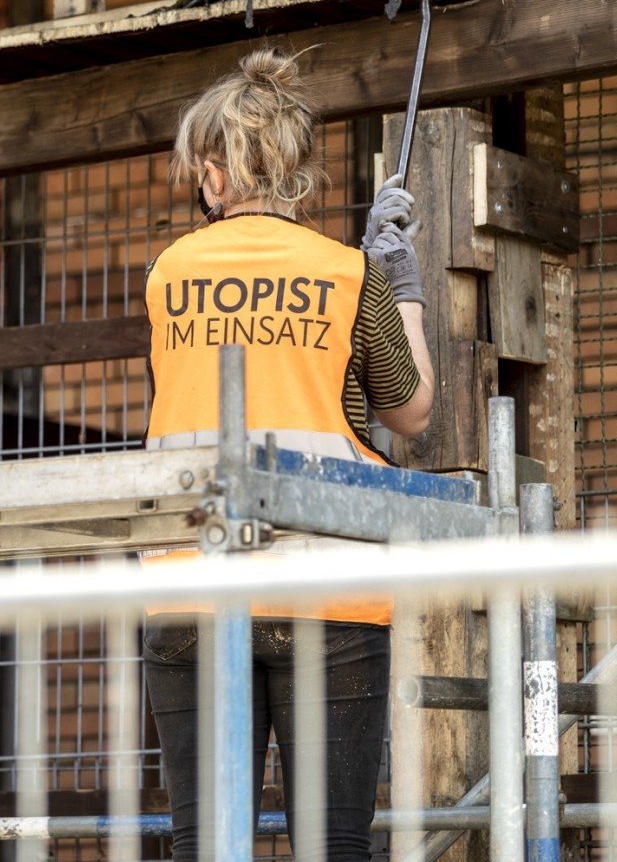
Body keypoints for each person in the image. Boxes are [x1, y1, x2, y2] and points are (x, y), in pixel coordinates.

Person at [140, 48, 435, 862]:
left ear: (213, 173)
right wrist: (398, 283)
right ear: (298, 168)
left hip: (191, 586)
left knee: (206, 843)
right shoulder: (346, 275)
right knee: (332, 844)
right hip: (327, 590)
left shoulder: (168, 273)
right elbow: (409, 410)